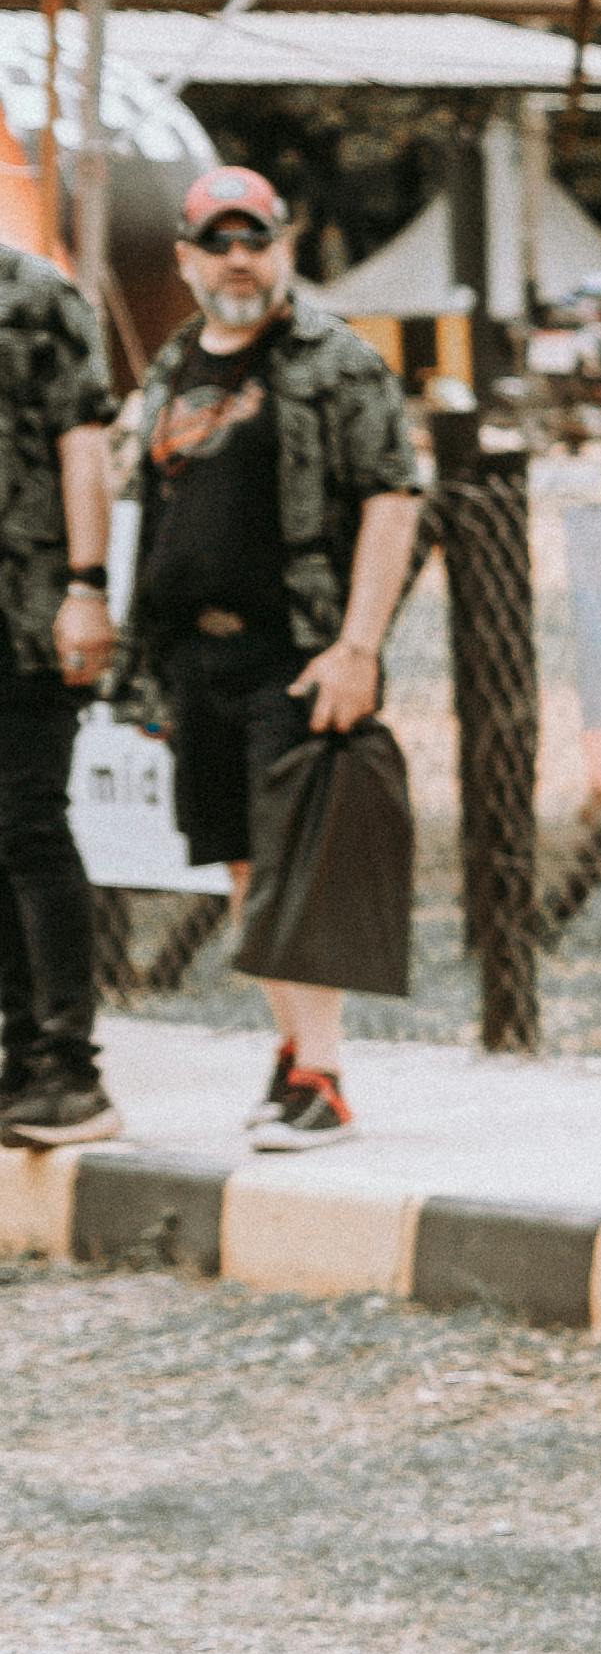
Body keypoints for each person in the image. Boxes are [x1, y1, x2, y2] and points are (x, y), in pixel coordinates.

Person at [115, 167, 417, 1154]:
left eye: (257, 239)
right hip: (195, 663)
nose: (239, 259)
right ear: (188, 258)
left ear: (284, 245)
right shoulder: (173, 367)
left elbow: (391, 497)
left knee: (297, 867)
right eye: (220, 241)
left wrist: (358, 646)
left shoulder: (334, 361)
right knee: (245, 865)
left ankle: (325, 1077)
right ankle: (292, 1058)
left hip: (296, 651)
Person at [2, 222, 119, 1142]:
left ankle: (70, 1067)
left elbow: (86, 447)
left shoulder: (39, 296)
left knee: (30, 823)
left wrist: (87, 585)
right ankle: (20, 1060)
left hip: (27, 613)